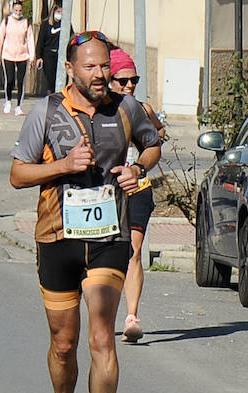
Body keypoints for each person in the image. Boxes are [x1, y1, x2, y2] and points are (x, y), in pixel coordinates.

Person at [9, 31, 163, 393]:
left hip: (108, 236)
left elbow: (152, 143)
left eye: (105, 66)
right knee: (63, 344)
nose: (100, 75)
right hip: (56, 237)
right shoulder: (47, 111)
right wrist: (63, 166)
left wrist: (137, 168)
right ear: (70, 69)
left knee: (101, 337)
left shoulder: (126, 108)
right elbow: (17, 174)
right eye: (90, 67)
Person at [108, 46, 167, 344]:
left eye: (134, 80)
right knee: (105, 252)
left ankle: (131, 317)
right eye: (123, 80)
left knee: (134, 250)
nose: (129, 85)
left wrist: (146, 150)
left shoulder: (143, 109)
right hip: (107, 191)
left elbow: (158, 134)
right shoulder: (101, 112)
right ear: (108, 80)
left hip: (139, 188)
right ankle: (103, 314)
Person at [0, 0, 35, 116]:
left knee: (21, 81)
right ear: (12, 9)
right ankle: (8, 101)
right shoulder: (6, 22)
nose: (18, 13)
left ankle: (18, 106)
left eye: (20, 10)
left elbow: (30, 39)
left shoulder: (26, 23)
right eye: (16, 10)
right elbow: (0, 39)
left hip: (23, 55)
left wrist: (32, 56)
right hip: (8, 55)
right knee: (10, 79)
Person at [36, 1, 64, 95]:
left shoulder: (65, 25)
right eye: (58, 12)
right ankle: (51, 97)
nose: (60, 14)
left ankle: (59, 98)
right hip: (48, 55)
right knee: (50, 80)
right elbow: (40, 41)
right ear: (53, 12)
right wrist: (39, 57)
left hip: (60, 55)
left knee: (60, 79)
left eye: (61, 12)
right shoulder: (46, 25)